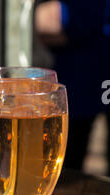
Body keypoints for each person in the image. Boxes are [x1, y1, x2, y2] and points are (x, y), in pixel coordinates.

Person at [34, 0, 110, 175]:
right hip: (77, 82)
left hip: (82, 78)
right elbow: (49, 22)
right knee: (66, 163)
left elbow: (52, 21)